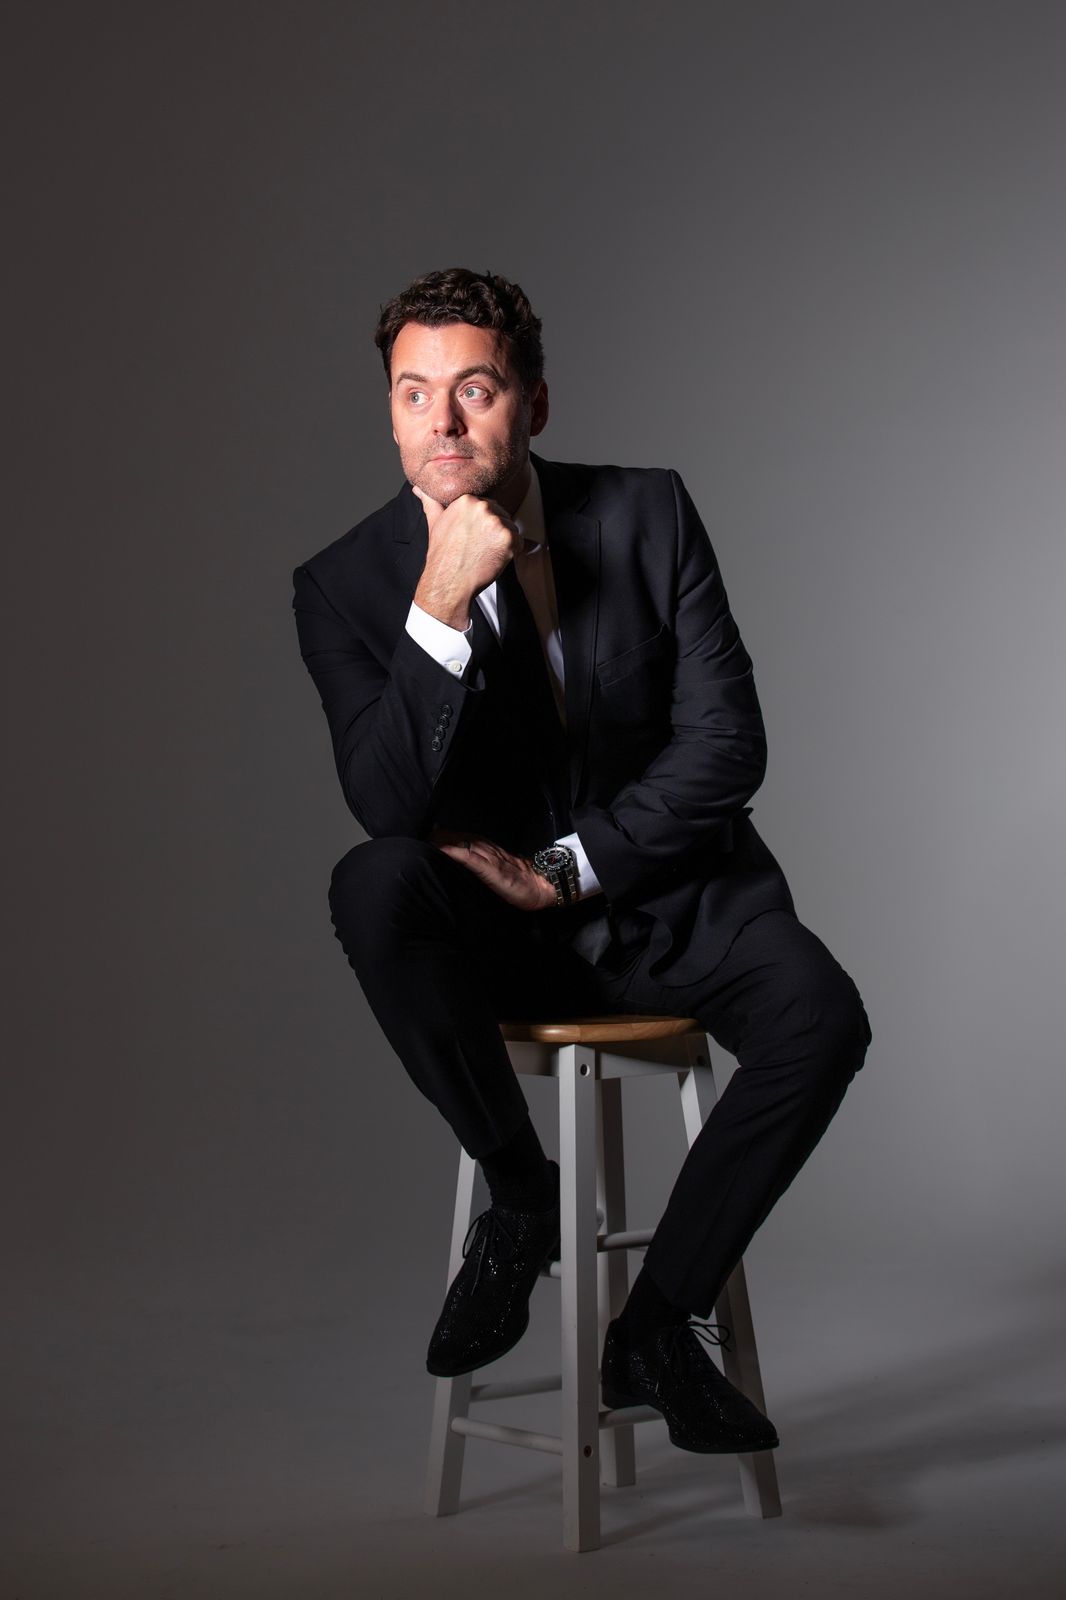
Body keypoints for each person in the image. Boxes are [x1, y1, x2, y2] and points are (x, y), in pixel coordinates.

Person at [292, 267, 871, 1456]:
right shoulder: (343, 586)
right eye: (413, 393)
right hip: (495, 940)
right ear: (388, 411)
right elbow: (387, 805)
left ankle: (653, 1330)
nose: (443, 423)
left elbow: (727, 744)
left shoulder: (648, 513)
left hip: (668, 900)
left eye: (475, 389)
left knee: (822, 1017)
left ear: (535, 404)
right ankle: (519, 1197)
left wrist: (565, 865)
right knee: (371, 880)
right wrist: (439, 604)